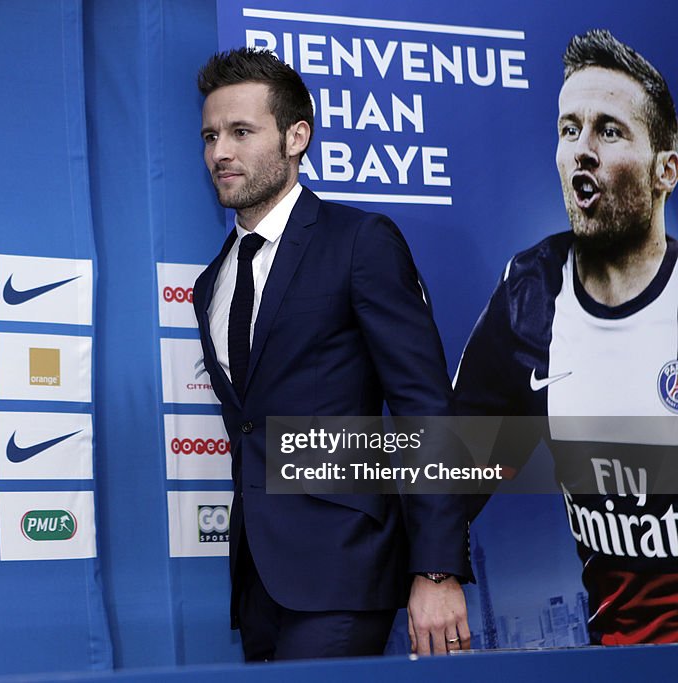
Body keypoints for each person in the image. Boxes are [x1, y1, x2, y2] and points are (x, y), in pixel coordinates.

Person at [192, 47, 472, 660]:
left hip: (346, 568)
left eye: (242, 132)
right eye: (211, 135)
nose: (220, 152)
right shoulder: (210, 284)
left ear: (297, 137)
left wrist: (436, 570)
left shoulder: (358, 243)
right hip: (258, 586)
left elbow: (424, 408)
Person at [454, 29, 678, 645]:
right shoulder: (530, 299)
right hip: (620, 656)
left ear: (666, 170)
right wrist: (435, 570)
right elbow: (454, 468)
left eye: (609, 130)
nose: (582, 149)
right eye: (567, 129)